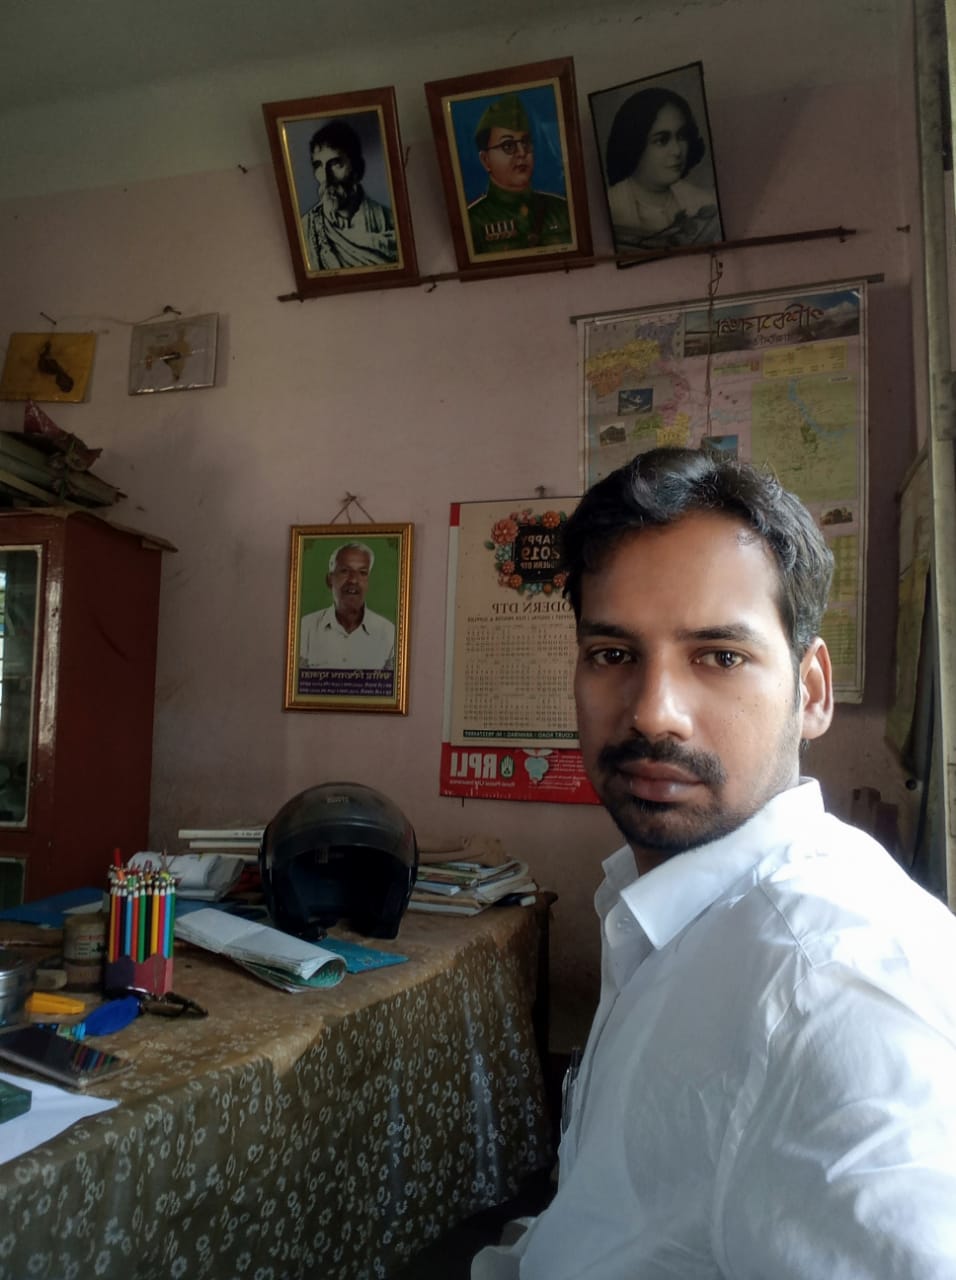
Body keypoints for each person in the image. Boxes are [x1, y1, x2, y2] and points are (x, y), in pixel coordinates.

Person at [473, 446, 956, 1278]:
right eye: (613, 653)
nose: (653, 712)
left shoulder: (833, 989)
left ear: (811, 691)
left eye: (720, 656)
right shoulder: (672, 910)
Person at [604, 86, 721, 252]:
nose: (677, 151)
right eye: (661, 140)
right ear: (634, 146)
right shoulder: (611, 208)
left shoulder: (704, 202)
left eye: (681, 136)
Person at [466, 93, 572, 255]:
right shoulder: (472, 222)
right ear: (485, 160)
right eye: (508, 146)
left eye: (526, 142)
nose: (522, 152)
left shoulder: (562, 210)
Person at [300, 119, 397, 271]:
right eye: (318, 166)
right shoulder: (305, 230)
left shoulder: (391, 223)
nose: (326, 177)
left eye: (335, 164)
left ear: (358, 168)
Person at [299, 542, 394, 670]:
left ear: (368, 581)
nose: (353, 580)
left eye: (362, 572)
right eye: (344, 571)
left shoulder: (388, 633)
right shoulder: (305, 629)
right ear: (329, 580)